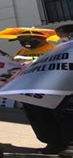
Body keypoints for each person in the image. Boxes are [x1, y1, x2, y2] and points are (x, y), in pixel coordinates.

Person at [23, 24, 73, 155]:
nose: (64, 39)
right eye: (62, 36)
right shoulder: (58, 49)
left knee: (68, 110)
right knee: (35, 108)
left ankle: (70, 143)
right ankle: (54, 142)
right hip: (47, 87)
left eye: (69, 36)